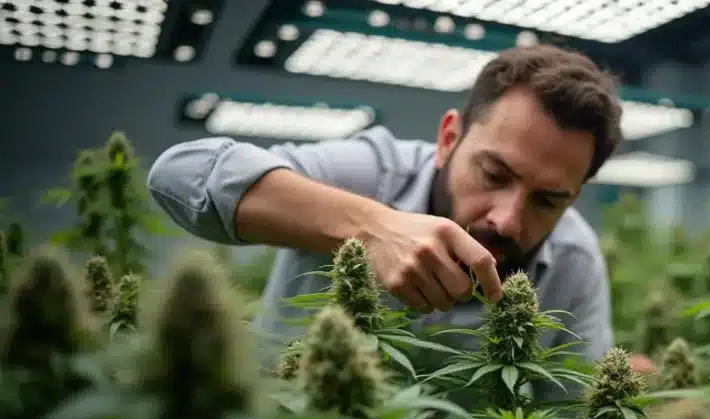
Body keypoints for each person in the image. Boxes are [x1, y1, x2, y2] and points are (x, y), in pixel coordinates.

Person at [146, 44, 655, 400]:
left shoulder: (574, 259)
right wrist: (369, 226)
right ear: (449, 138)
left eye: (547, 200)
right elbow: (180, 174)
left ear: (576, 196)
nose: (507, 219)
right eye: (495, 173)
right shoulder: (373, 173)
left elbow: (567, 413)